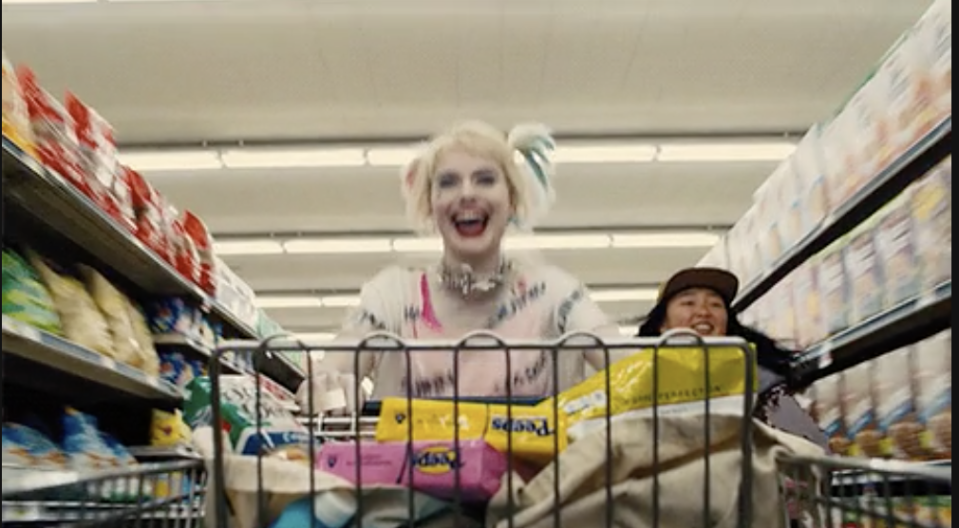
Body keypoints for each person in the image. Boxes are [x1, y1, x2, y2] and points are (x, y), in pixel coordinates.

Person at [302, 121, 624, 406]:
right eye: (448, 182)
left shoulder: (553, 294)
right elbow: (335, 369)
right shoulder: (392, 295)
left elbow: (629, 366)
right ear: (430, 203)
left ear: (511, 199)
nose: (467, 193)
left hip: (532, 476)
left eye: (485, 179)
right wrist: (330, 391)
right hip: (408, 475)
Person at [637, 267, 829, 450]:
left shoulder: (757, 379)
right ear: (662, 324)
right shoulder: (638, 380)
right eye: (688, 303)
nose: (704, 312)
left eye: (715, 304)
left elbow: (809, 444)